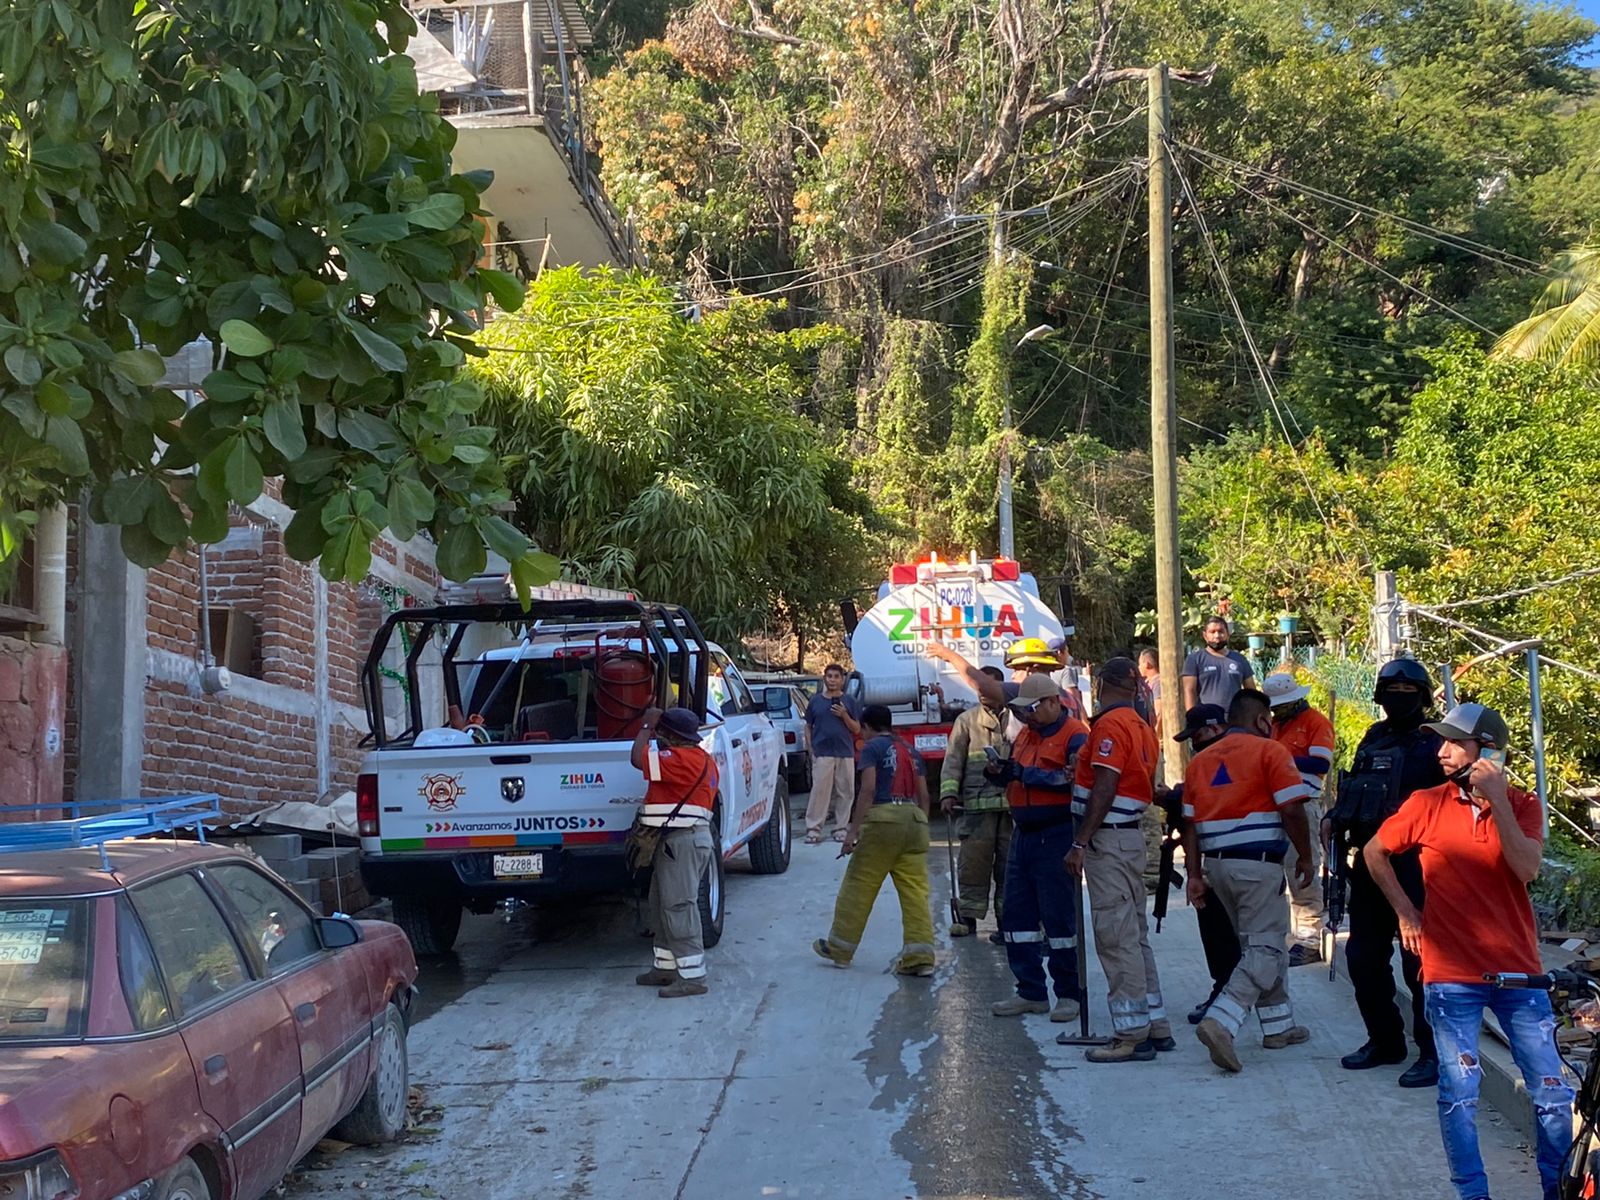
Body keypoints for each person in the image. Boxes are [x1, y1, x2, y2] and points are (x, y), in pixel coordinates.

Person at [1365, 702, 1572, 1200]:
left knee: (1551, 1094)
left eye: (1455, 743)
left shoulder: (1522, 804)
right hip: (1451, 974)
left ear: (1488, 751)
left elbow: (1524, 869)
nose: (1442, 752)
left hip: (1519, 974)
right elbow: (1375, 852)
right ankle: (1473, 1194)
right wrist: (1406, 912)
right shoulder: (1426, 802)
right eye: (1442, 741)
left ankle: (1558, 1190)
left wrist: (1496, 799)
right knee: (1459, 1095)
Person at [1181, 689, 1315, 1072]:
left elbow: (1189, 824)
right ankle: (1222, 1020)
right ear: (1262, 721)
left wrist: (1193, 874)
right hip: (1257, 864)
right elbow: (1291, 808)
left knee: (1258, 942)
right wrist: (1304, 855)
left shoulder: (1200, 762)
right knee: (1268, 948)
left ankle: (1279, 1028)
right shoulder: (1271, 752)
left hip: (1217, 867)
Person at [1328, 656, 1443, 1087]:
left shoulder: (1434, 744)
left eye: (1406, 694)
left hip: (1417, 865)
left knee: (1420, 964)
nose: (1398, 701)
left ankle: (1432, 1051)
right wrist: (1335, 818)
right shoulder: (1373, 738)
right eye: (1390, 694)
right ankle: (1385, 1040)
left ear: (1423, 698)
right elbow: (1355, 792)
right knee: (1362, 957)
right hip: (1370, 864)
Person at [1063, 657, 1171, 1062]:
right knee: (1135, 935)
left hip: (1108, 841)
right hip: (1128, 838)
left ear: (1102, 685)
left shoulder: (1110, 725)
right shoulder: (1142, 727)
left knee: (1115, 936)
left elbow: (1106, 784)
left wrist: (1080, 842)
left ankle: (1131, 1034)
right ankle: (1155, 1024)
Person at [813, 705, 936, 976]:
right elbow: (924, 795)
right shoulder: (911, 750)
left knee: (859, 884)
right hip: (914, 819)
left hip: (884, 819)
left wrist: (852, 832)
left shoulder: (871, 748)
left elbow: (868, 789)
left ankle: (840, 949)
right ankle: (921, 957)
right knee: (915, 891)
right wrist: (921, 824)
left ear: (866, 726)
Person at [1158, 704, 1241, 1025]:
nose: (1194, 743)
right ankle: (1232, 992)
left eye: (1197, 735)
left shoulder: (1221, 759)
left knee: (1226, 934)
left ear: (1216, 728)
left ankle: (1228, 995)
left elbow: (1206, 801)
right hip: (1224, 859)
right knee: (1226, 933)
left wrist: (1172, 799)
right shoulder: (1237, 754)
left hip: (1227, 860)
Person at [630, 706, 718, 998]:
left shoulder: (680, 759)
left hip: (682, 841)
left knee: (678, 906)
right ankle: (666, 967)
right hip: (680, 841)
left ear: (670, 735)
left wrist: (646, 727)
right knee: (661, 903)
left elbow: (637, 759)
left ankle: (693, 977)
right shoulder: (702, 759)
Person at [1263, 670, 1335, 966]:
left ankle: (1308, 938)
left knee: (1300, 867)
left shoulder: (1315, 722)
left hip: (1302, 800)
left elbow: (1320, 761)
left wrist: (1278, 756)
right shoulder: (1275, 723)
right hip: (1273, 800)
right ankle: (1283, 934)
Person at [940, 666, 1012, 941]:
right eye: (979, 689)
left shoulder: (1018, 719)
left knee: (1010, 869)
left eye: (988, 688)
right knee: (972, 866)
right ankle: (967, 920)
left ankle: (1008, 923)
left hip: (1011, 811)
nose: (982, 694)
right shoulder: (966, 720)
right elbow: (953, 760)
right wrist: (948, 794)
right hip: (976, 810)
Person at [803, 663, 863, 845]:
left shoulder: (850, 701)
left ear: (843, 679)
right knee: (820, 792)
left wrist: (844, 715)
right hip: (822, 752)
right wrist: (810, 747)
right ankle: (813, 829)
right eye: (829, 676)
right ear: (824, 678)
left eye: (837, 677)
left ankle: (841, 828)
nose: (833, 680)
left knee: (846, 792)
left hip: (845, 752)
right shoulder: (815, 701)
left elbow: (857, 729)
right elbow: (808, 725)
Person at [1181, 615, 1256, 711]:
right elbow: (1189, 691)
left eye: (1221, 631)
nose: (1217, 636)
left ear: (1228, 634)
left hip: (1235, 719)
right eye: (1212, 632)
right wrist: (1192, 717)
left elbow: (1251, 692)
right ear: (1205, 635)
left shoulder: (1240, 660)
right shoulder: (1195, 659)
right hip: (1207, 719)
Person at [1137, 648, 1163, 738]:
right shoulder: (1148, 683)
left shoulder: (1158, 683)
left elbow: (1159, 712)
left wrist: (1155, 736)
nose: (1138, 667)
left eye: (1140, 664)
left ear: (1147, 664)